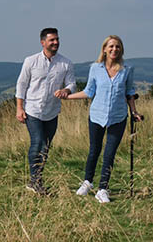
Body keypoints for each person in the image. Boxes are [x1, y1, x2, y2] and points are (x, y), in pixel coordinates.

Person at [61, 35, 143, 203]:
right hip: (97, 115)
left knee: (109, 153)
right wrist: (67, 97)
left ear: (121, 50)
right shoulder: (95, 68)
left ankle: (103, 189)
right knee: (94, 150)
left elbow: (130, 92)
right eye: (111, 46)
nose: (114, 49)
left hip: (118, 117)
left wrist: (134, 112)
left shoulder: (127, 69)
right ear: (104, 49)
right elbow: (89, 91)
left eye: (117, 47)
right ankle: (87, 182)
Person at [15, 27, 77, 194]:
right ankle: (35, 181)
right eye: (52, 40)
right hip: (32, 110)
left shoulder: (66, 63)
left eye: (57, 39)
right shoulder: (31, 61)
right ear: (43, 42)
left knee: (46, 146)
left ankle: (36, 178)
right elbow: (21, 84)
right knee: (38, 142)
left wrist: (67, 91)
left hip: (52, 111)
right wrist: (19, 108)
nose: (56, 42)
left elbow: (72, 83)